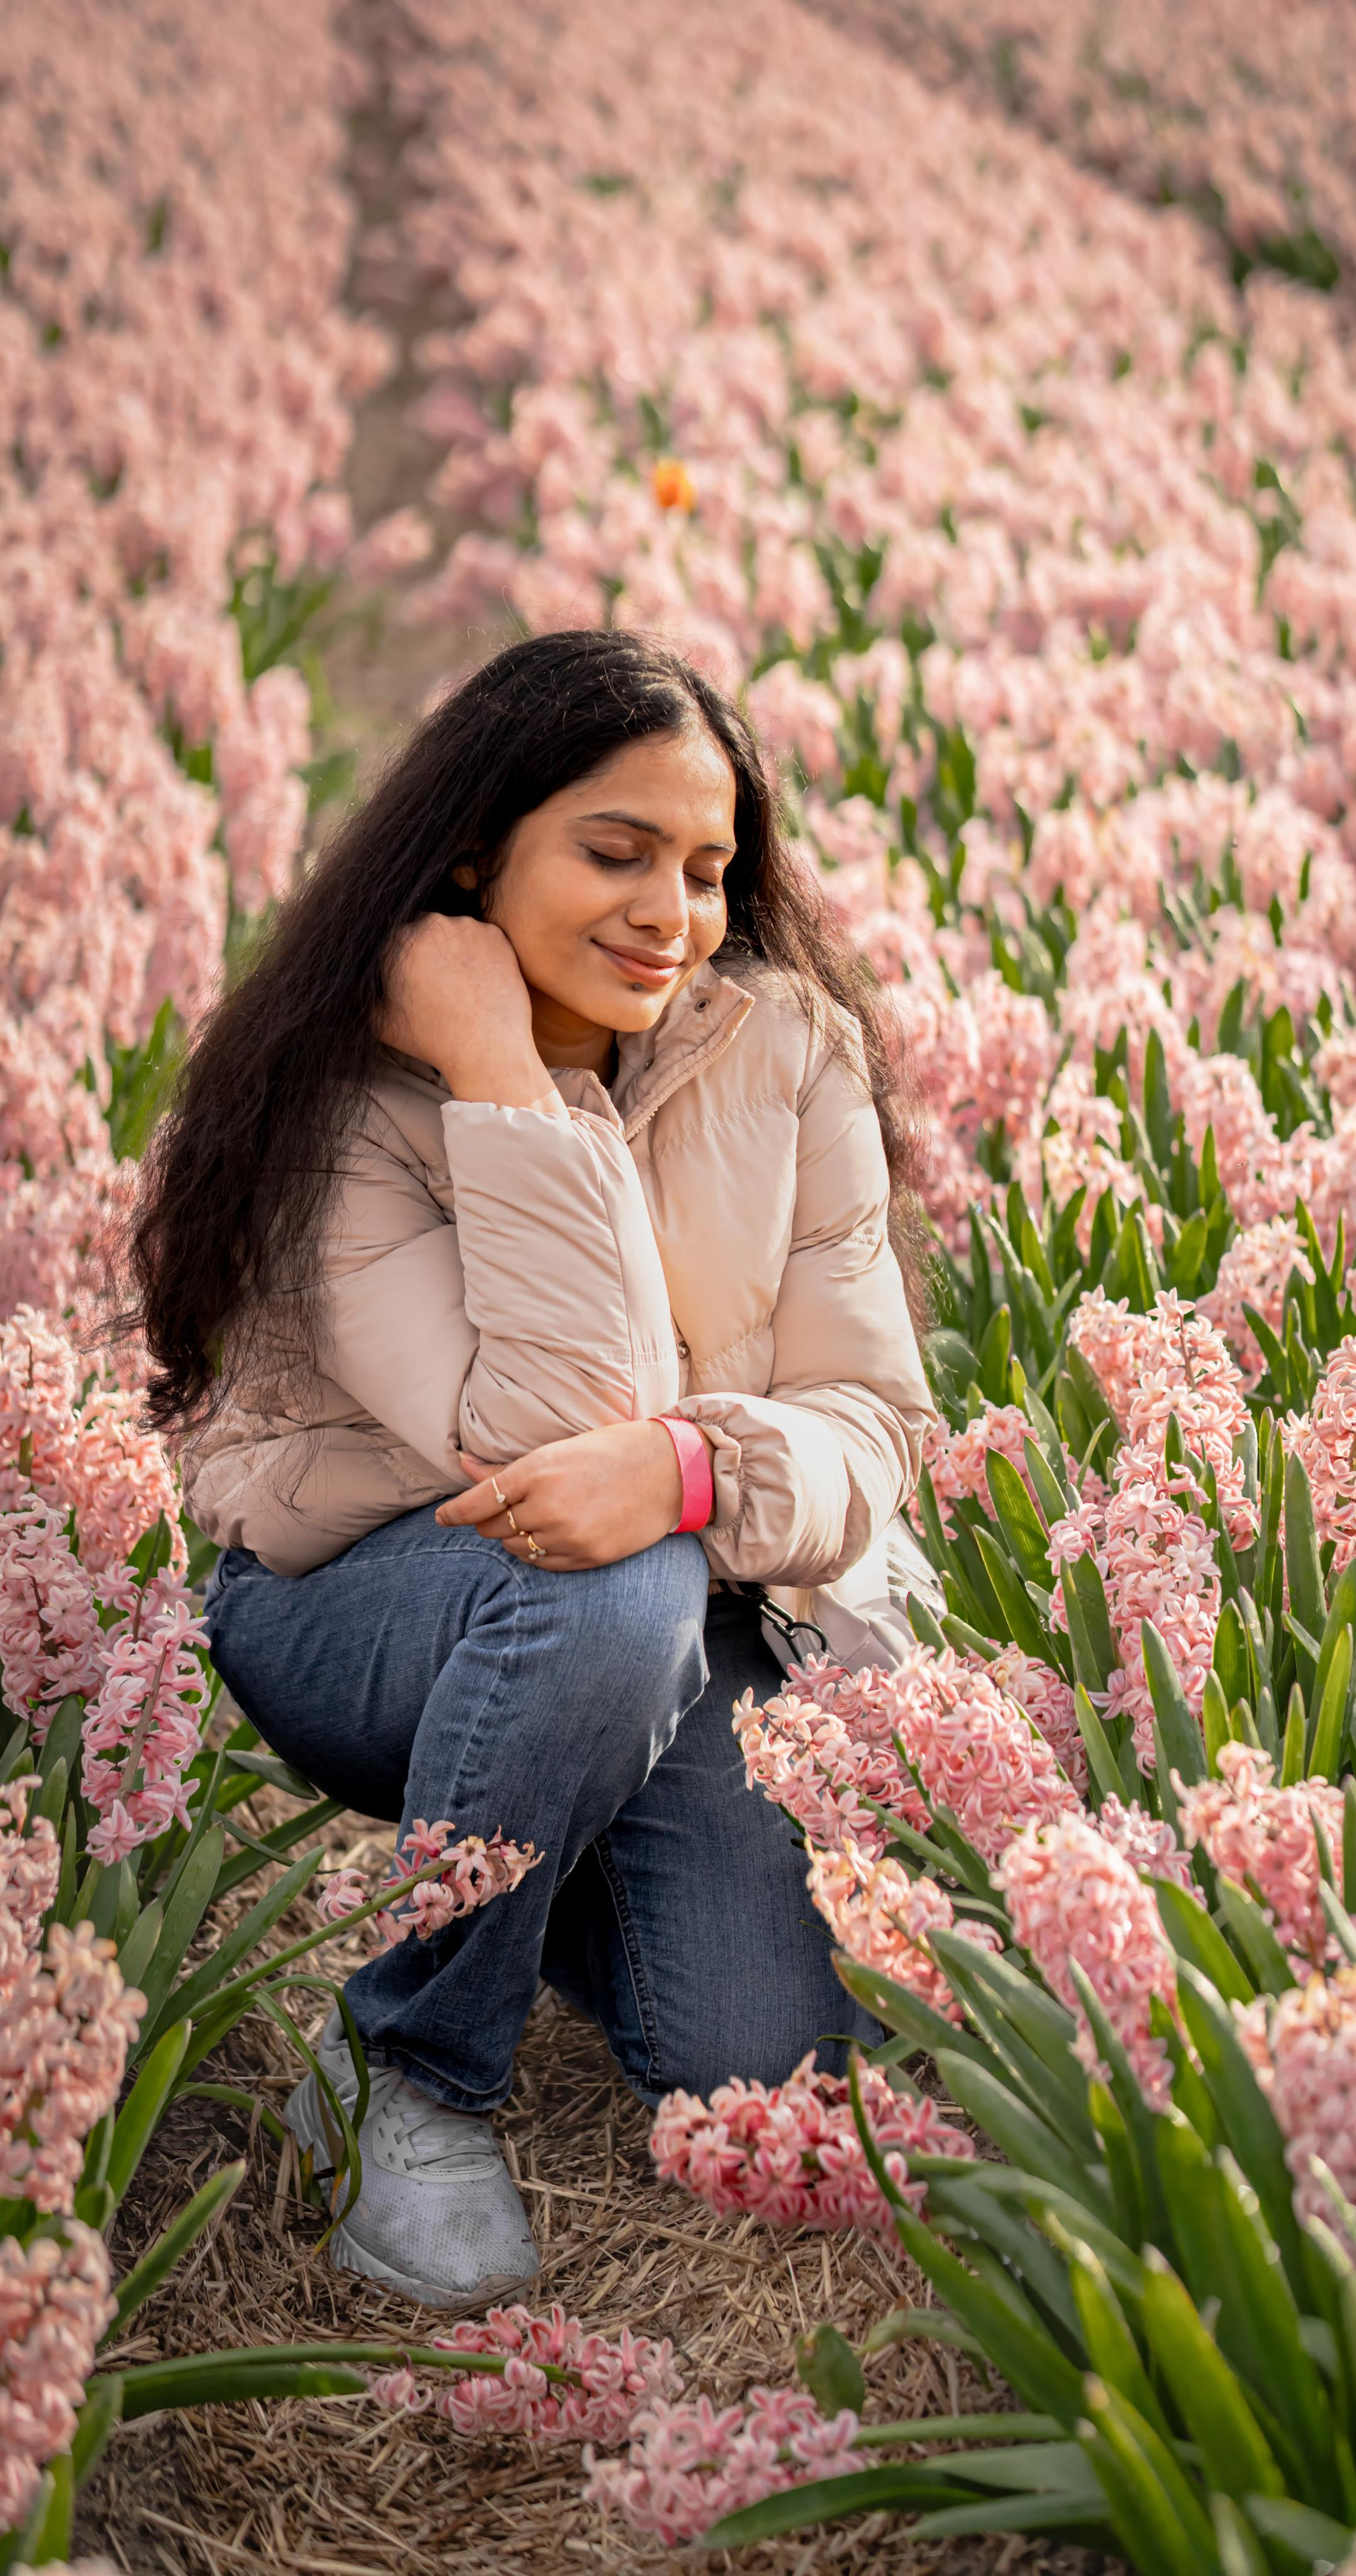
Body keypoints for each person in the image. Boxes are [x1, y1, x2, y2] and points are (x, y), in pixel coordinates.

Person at [129, 630, 934, 2310]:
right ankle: (409, 2072)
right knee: (604, 1581)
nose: (672, 911)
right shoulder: (341, 1093)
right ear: (475, 849)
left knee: (761, 2072)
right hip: (369, 1605)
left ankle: (549, 1827)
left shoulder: (779, 1049)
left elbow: (873, 1425)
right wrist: (503, 1075)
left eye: (709, 870)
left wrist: (691, 1479)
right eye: (614, 850)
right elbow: (540, 1433)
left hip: (686, 1601)